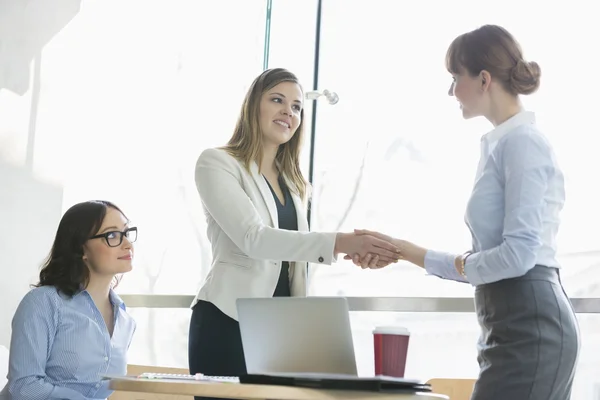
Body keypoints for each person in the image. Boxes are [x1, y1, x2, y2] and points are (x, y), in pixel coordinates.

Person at [349, 25, 579, 399]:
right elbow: (493, 260)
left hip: (531, 329)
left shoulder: (523, 144)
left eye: (456, 78)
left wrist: (458, 264)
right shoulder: (500, 144)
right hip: (509, 325)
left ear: (484, 79)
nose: (453, 90)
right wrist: (404, 250)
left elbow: (518, 256)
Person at [188, 68, 400, 398]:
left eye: (298, 106)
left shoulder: (295, 184)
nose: (289, 111)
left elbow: (296, 259)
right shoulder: (217, 163)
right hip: (228, 321)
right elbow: (253, 238)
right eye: (277, 100)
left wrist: (353, 250)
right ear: (252, 106)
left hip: (281, 329)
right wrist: (339, 243)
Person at [3, 200, 137, 400]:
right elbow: (24, 387)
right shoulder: (43, 303)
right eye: (112, 235)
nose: (127, 244)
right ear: (81, 248)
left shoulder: (125, 319)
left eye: (126, 233)